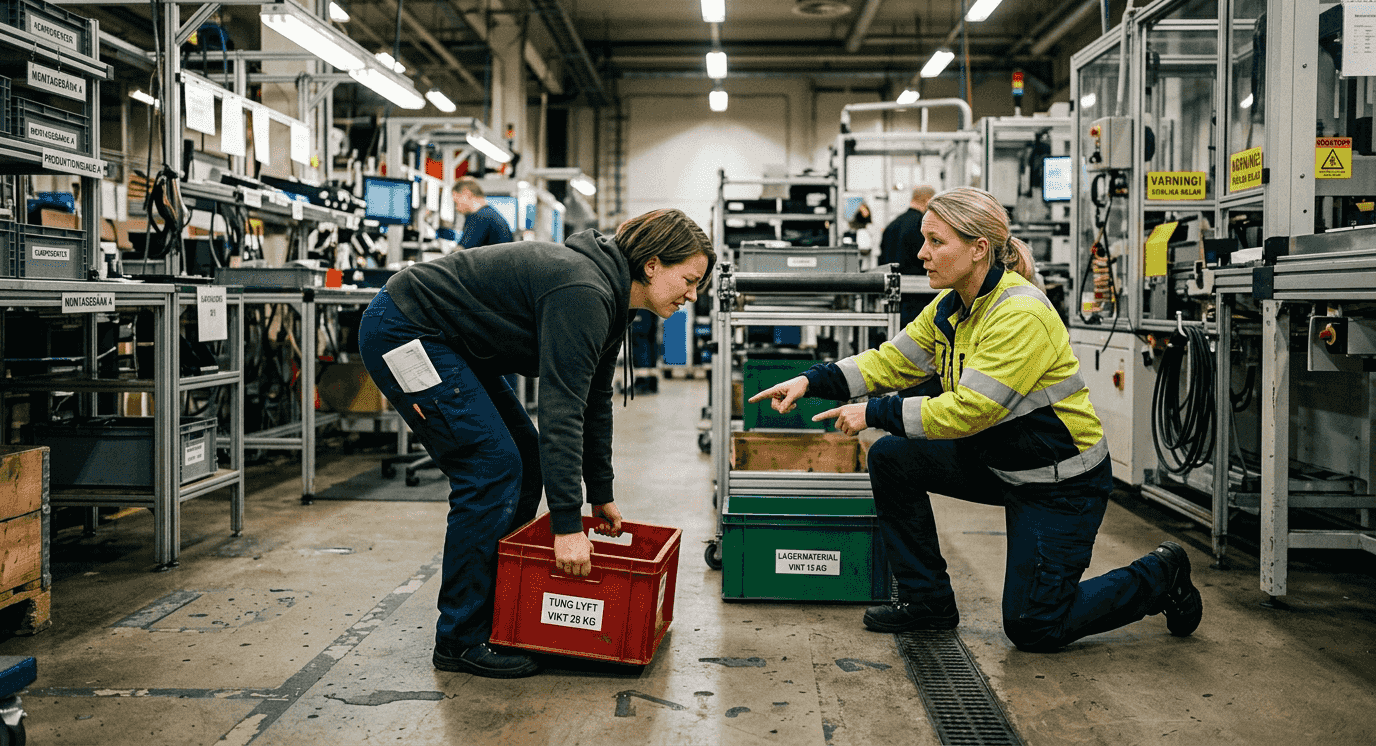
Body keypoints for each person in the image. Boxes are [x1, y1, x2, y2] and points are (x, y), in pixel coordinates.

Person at [748, 187, 1201, 652]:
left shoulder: (1019, 313)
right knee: (892, 458)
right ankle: (928, 603)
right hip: (999, 461)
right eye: (925, 240)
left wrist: (874, 412)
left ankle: (1161, 573)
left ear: (978, 249)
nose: (922, 253)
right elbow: (891, 361)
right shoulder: (951, 307)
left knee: (1034, 626)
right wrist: (811, 380)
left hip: (1060, 483)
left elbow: (972, 410)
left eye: (936, 242)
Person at [358, 209, 714, 678]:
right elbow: (561, 412)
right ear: (651, 265)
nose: (692, 295)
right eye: (688, 280)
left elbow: (595, 400)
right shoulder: (584, 292)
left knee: (525, 458)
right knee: (491, 466)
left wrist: (600, 492)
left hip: (451, 341)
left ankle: (499, 616)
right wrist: (567, 527)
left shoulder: (613, 301)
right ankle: (459, 640)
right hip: (405, 330)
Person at [879, 185, 936, 326]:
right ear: (929, 201)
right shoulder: (922, 226)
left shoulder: (892, 225)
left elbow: (882, 260)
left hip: (893, 298)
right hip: (919, 296)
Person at [453, 177, 514, 248]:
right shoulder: (489, 213)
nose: (456, 208)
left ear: (467, 194)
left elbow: (462, 252)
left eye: (456, 202)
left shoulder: (480, 217)